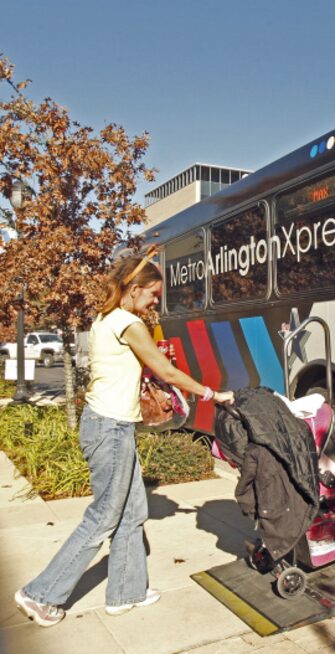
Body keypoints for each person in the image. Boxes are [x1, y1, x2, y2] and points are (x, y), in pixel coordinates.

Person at [14, 247, 234, 627]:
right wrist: (212, 394)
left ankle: (126, 592)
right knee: (103, 517)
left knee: (133, 511)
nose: (153, 302)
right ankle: (39, 594)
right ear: (134, 288)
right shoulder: (128, 324)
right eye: (152, 294)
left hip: (109, 425)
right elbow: (166, 369)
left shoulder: (107, 318)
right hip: (109, 429)